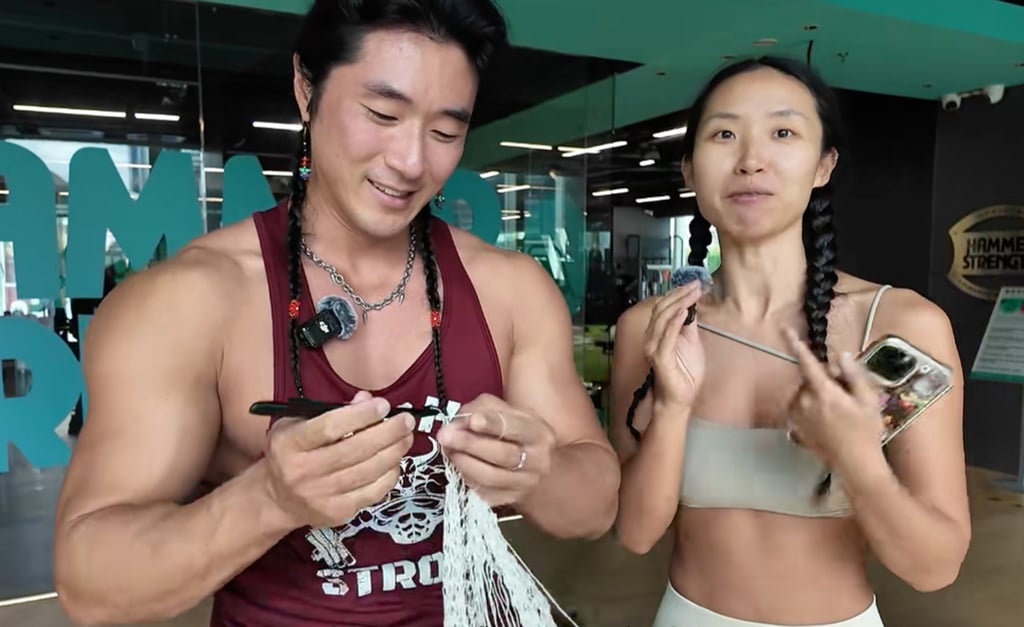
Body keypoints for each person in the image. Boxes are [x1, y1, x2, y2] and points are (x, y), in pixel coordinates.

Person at [52, 1, 620, 625]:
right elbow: (92, 585)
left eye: (445, 132)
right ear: (306, 88)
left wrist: (537, 473)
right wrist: (269, 498)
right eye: (382, 114)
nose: (410, 161)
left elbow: (593, 507)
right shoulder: (190, 301)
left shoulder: (510, 289)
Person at [610, 56, 970, 627]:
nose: (751, 160)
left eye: (783, 133)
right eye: (724, 134)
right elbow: (635, 534)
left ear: (823, 164)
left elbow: (936, 567)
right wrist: (675, 407)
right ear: (689, 169)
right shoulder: (652, 327)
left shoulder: (899, 328)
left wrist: (857, 457)